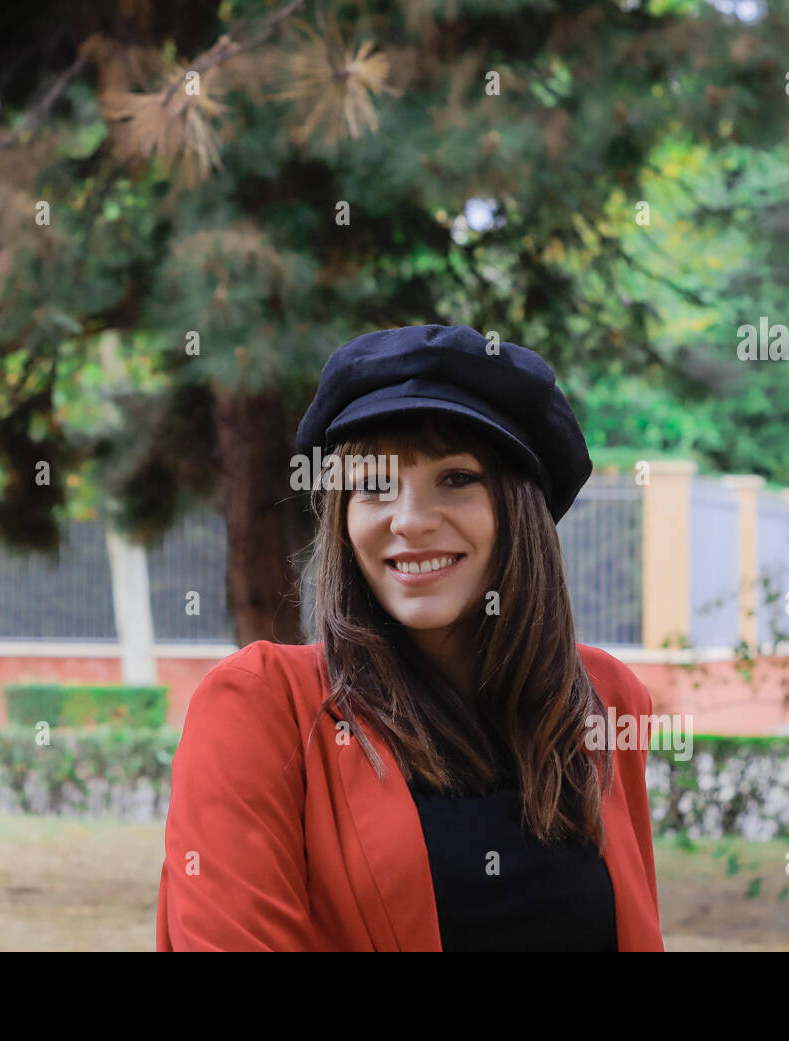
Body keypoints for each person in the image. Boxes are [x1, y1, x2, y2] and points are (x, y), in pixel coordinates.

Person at [156, 323, 663, 951]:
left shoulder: (602, 699)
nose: (410, 520)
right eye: (373, 485)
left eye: (456, 478)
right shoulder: (261, 707)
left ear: (520, 512)